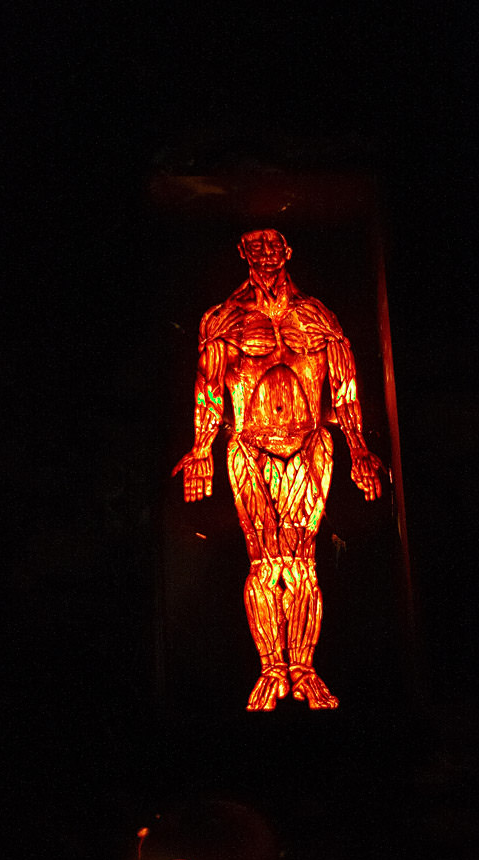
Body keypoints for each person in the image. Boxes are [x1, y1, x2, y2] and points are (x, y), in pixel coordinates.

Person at [172, 229, 382, 710]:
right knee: (265, 563)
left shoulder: (317, 315)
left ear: (288, 252)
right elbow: (209, 387)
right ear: (242, 252)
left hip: (310, 444)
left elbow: (344, 386)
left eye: (275, 244)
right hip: (249, 446)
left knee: (303, 561)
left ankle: (305, 670)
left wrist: (359, 450)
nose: (267, 252)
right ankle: (271, 668)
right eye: (257, 244)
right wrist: (202, 448)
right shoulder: (224, 319)